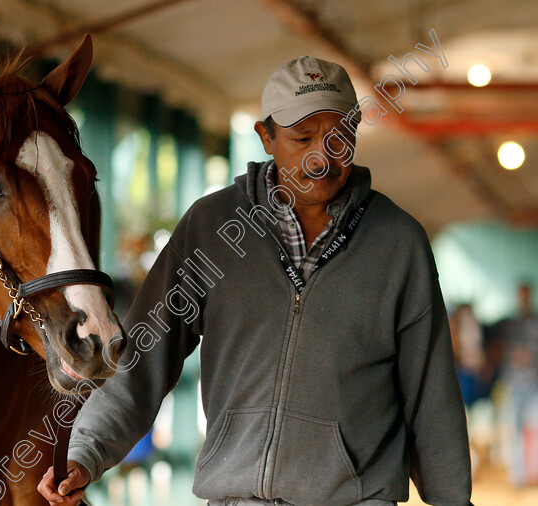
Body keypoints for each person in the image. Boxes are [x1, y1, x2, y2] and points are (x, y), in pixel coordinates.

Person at [38, 56, 472, 506]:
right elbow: (142, 364)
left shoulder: (399, 245)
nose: (322, 156)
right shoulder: (211, 229)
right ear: (266, 137)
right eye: (302, 138)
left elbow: (432, 400)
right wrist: (84, 454)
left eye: (339, 136)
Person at [495, 282, 538, 486]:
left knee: (533, 427)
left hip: (533, 382)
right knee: (514, 427)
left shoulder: (534, 321)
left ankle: (531, 472)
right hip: (513, 382)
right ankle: (518, 475)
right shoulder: (509, 323)